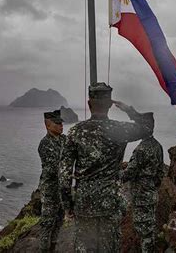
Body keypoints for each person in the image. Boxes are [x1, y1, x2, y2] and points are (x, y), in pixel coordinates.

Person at [59, 82, 153, 252]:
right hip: (110, 201)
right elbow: (147, 128)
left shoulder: (75, 132)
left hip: (84, 202)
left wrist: (68, 206)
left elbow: (64, 175)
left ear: (89, 104)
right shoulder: (119, 129)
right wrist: (129, 110)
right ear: (110, 104)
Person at [121, 112, 164, 253]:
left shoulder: (141, 149)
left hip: (141, 196)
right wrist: (152, 186)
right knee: (149, 228)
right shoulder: (157, 145)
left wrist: (112, 175)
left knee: (143, 230)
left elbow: (129, 173)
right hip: (151, 192)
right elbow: (160, 172)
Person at [38, 110, 66, 253]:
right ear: (48, 125)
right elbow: (53, 168)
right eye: (58, 123)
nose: (61, 126)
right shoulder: (45, 144)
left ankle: (53, 247)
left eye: (62, 123)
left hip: (61, 188)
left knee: (59, 219)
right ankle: (44, 250)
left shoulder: (63, 140)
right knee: (47, 223)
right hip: (50, 189)